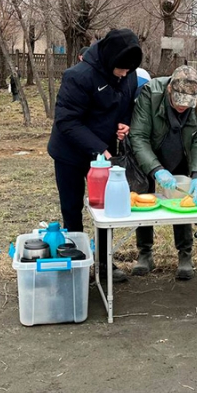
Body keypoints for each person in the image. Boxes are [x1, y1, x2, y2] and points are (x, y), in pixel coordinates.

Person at [47, 29, 143, 282]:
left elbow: (126, 104)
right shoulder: (78, 76)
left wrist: (124, 123)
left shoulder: (129, 74)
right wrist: (100, 148)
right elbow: (67, 121)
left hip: (104, 154)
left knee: (105, 208)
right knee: (72, 208)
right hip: (70, 152)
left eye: (129, 70)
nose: (125, 75)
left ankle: (104, 263)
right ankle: (77, 265)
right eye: (121, 69)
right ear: (110, 60)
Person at [129, 65, 197, 280]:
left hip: (181, 152)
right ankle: (145, 253)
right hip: (150, 151)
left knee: (183, 201)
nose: (182, 107)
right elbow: (138, 136)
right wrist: (156, 169)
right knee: (144, 199)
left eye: (187, 104)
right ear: (169, 91)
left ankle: (185, 255)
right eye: (178, 102)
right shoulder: (151, 92)